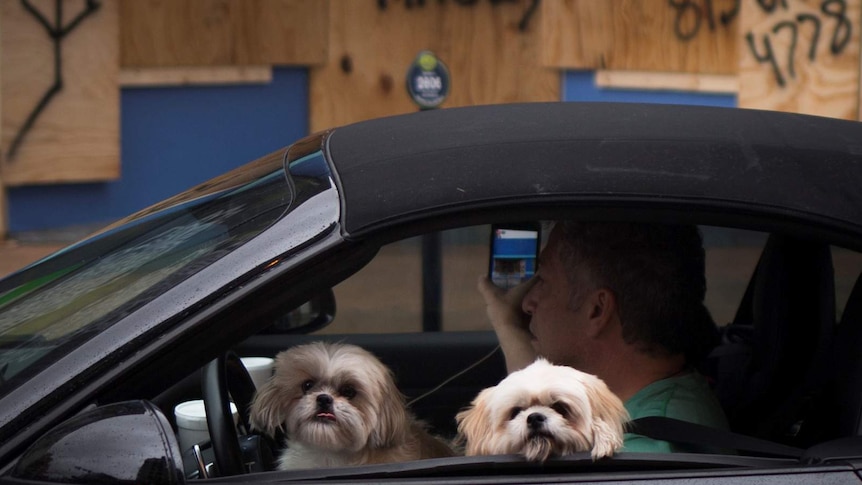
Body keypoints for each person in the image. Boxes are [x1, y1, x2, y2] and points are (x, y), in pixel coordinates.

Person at [477, 220, 729, 453]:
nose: (528, 303)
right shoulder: (661, 403)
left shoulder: (645, 453)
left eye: (542, 280)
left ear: (596, 310)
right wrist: (508, 324)